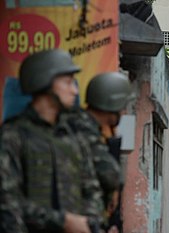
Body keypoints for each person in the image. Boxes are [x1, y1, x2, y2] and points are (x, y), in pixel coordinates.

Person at [0, 49, 104, 233]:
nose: (74, 90)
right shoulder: (13, 136)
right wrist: (63, 222)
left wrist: (89, 222)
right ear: (44, 83)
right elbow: (8, 202)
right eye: (68, 82)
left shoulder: (74, 136)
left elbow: (92, 189)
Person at [67, 72, 133, 233]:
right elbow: (109, 175)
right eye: (122, 107)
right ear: (112, 104)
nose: (124, 112)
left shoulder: (97, 132)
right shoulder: (80, 131)